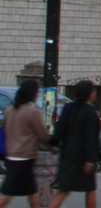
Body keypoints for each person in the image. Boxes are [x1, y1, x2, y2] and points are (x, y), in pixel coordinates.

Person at [0, 80, 53, 208]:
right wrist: (52, 143)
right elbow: (41, 134)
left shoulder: (10, 110)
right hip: (24, 156)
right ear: (32, 94)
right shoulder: (32, 111)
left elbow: (5, 128)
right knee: (8, 192)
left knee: (31, 191)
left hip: (11, 154)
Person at [47, 80, 100, 208]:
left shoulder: (68, 108)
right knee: (90, 190)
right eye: (93, 90)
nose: (95, 93)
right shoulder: (90, 112)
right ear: (88, 94)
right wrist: (90, 159)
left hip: (67, 155)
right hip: (82, 158)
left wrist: (54, 143)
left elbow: (60, 129)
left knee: (63, 191)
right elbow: (90, 138)